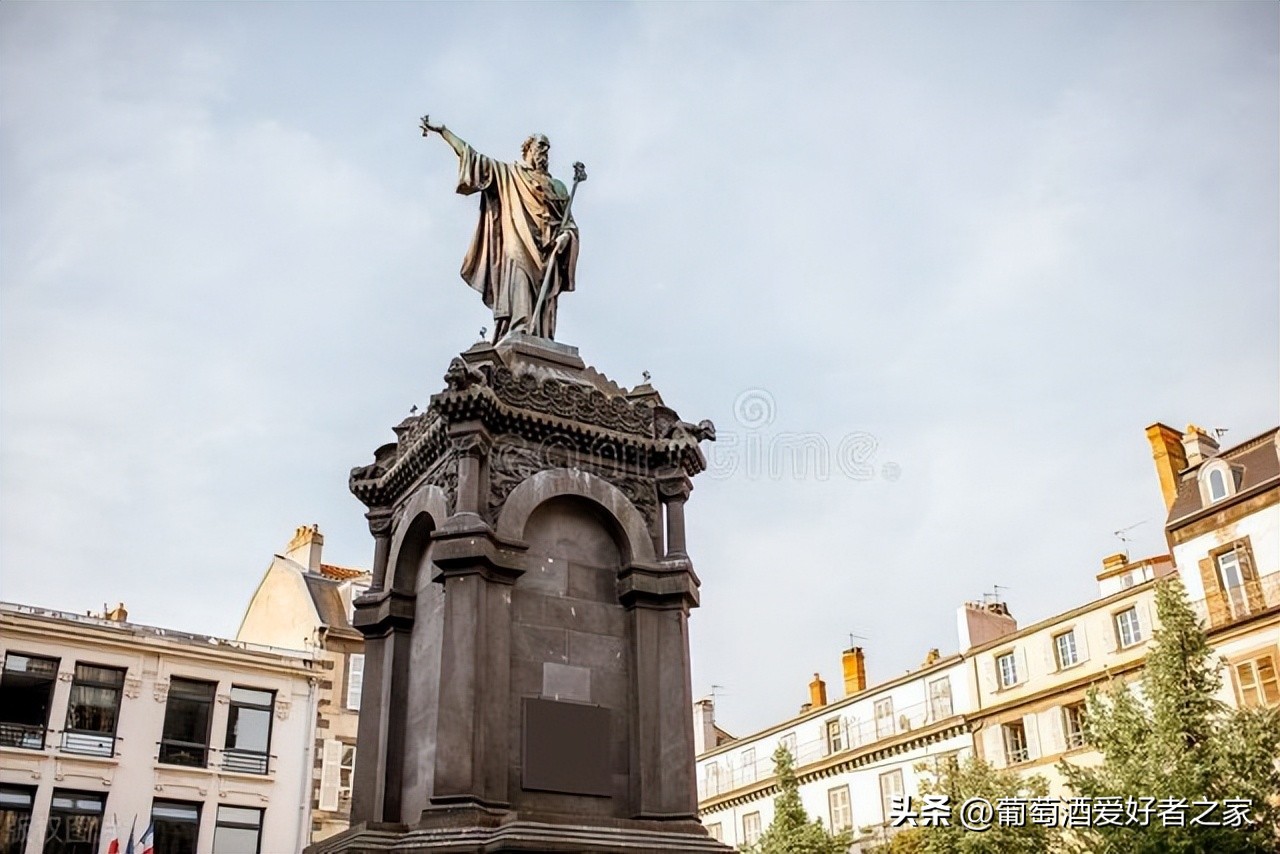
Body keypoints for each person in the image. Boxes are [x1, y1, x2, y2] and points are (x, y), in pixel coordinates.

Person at [421, 117, 579, 341]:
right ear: (528, 149)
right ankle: (519, 328)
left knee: (544, 298)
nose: (545, 152)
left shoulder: (558, 187)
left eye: (547, 148)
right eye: (540, 146)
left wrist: (566, 236)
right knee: (519, 279)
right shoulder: (510, 175)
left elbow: (569, 222)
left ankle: (539, 338)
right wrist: (445, 132)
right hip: (519, 238)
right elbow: (473, 157)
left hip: (549, 247)